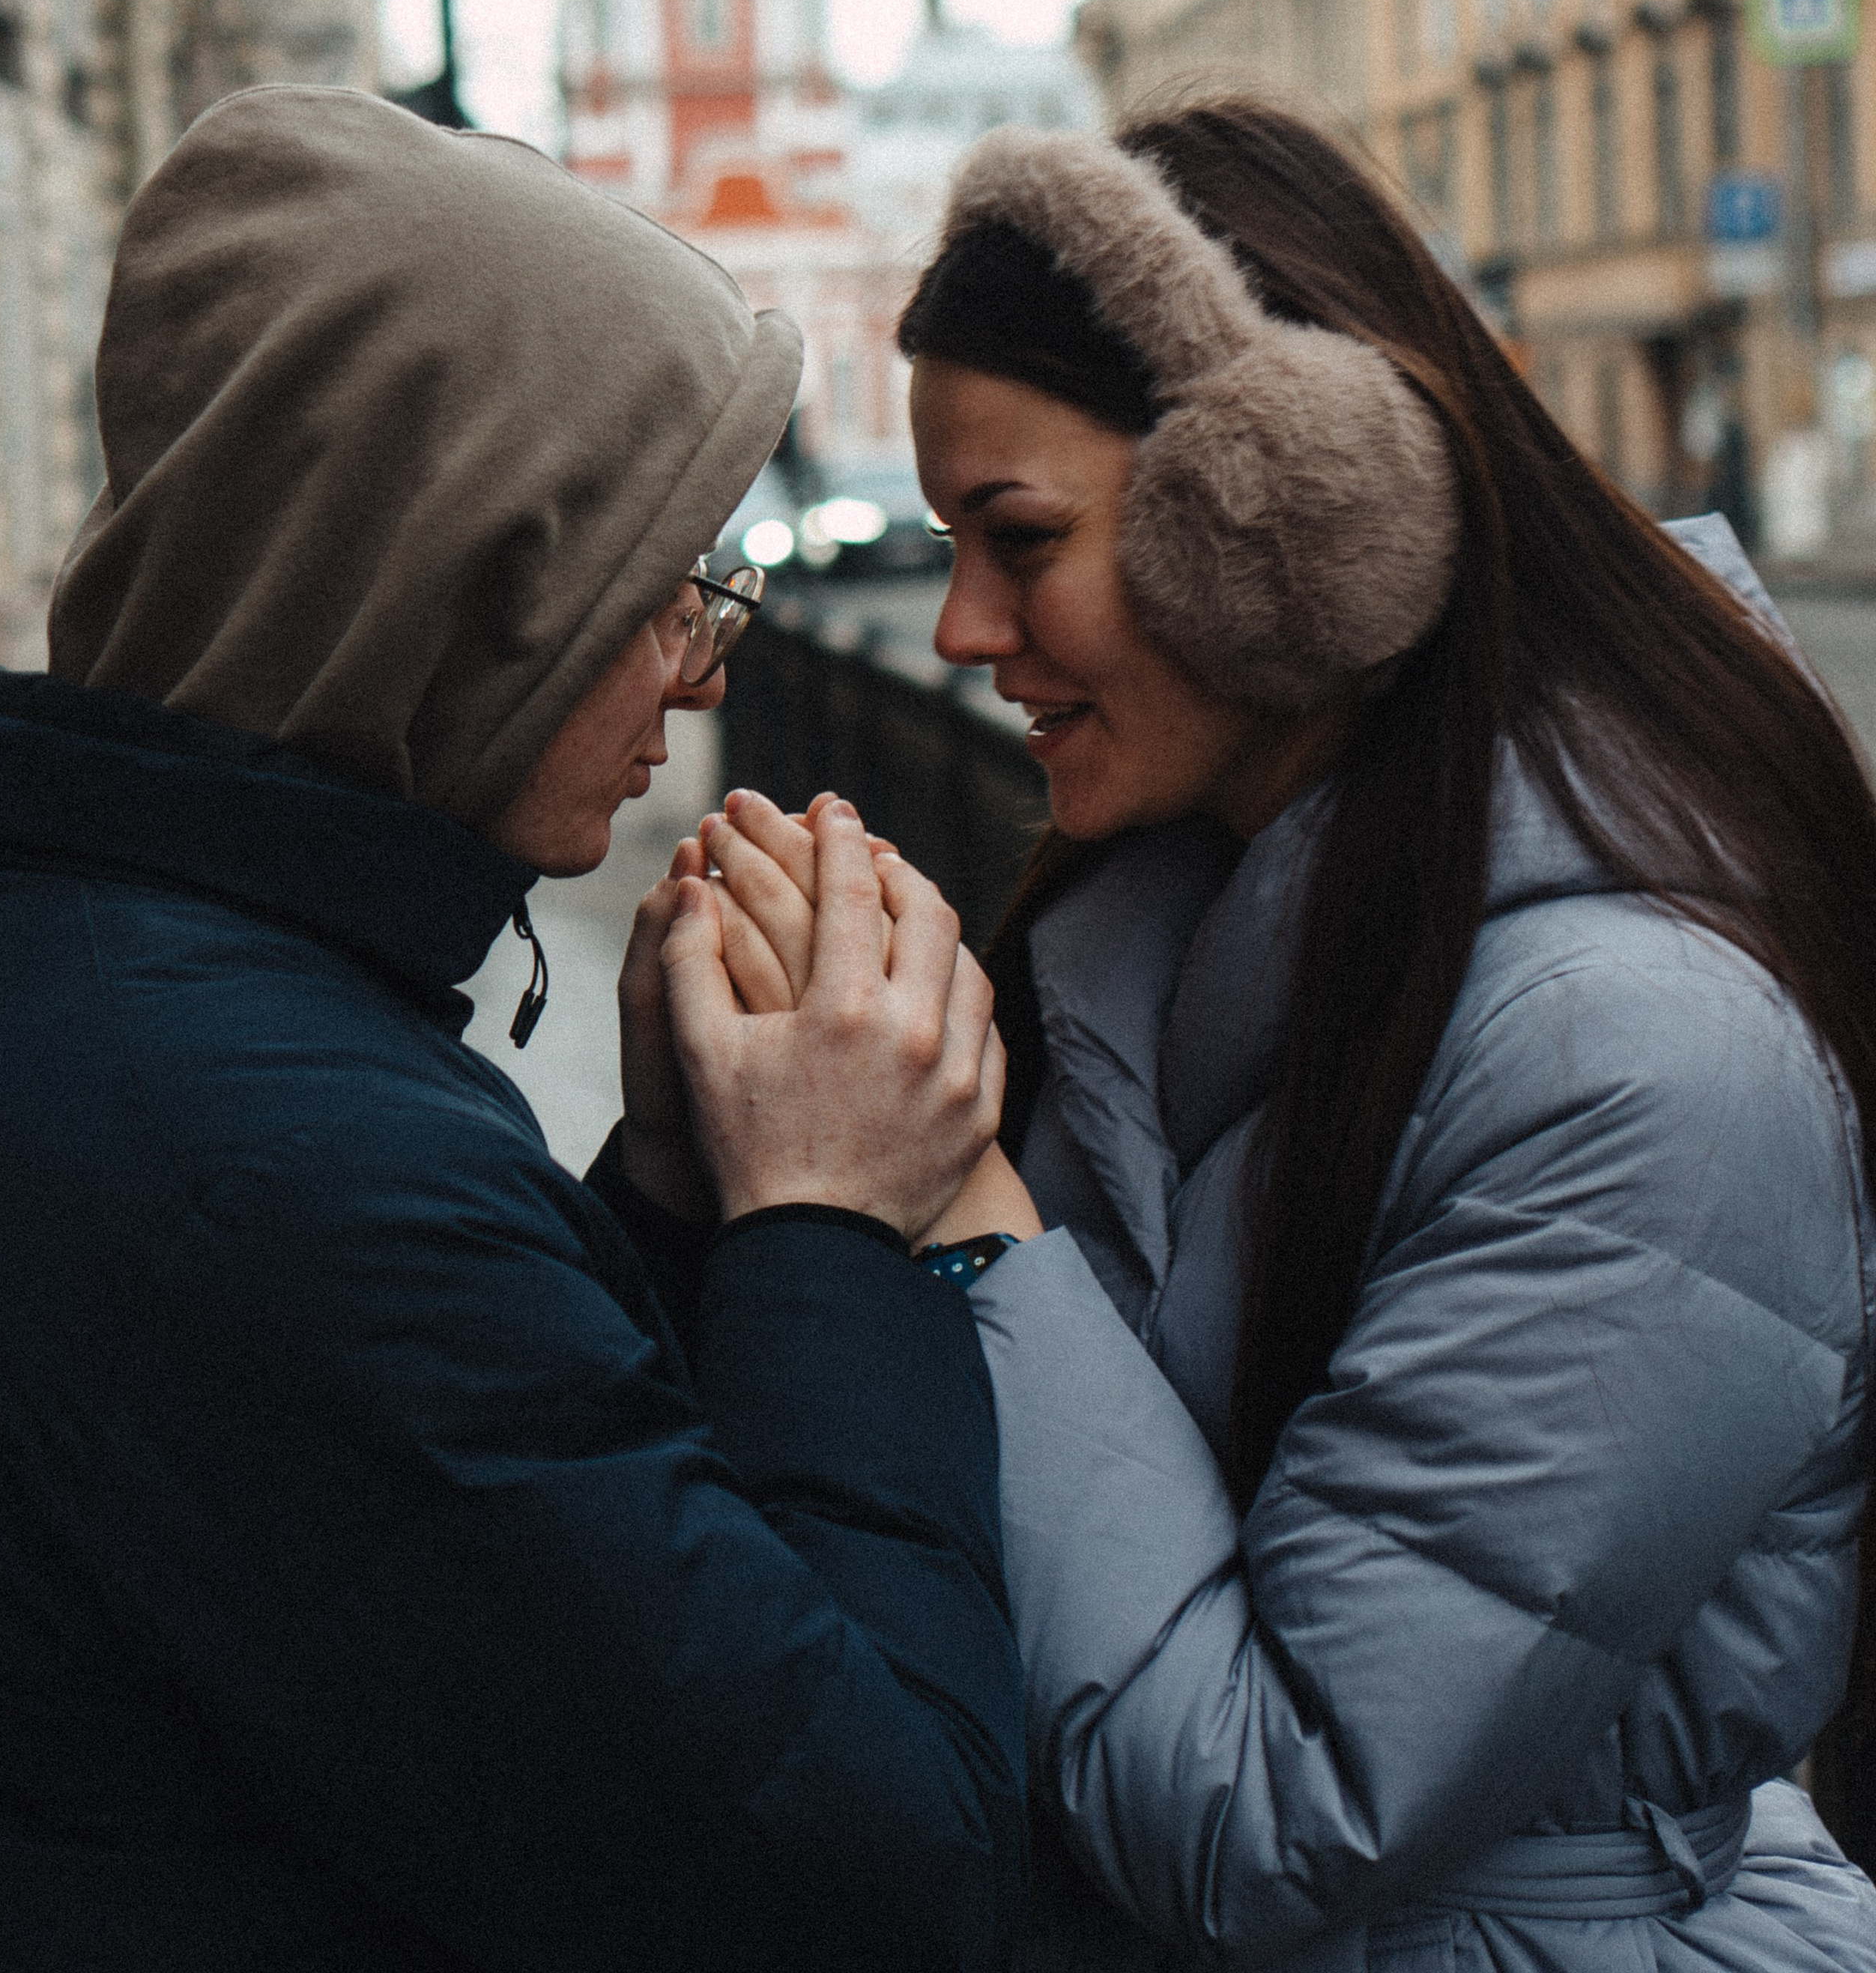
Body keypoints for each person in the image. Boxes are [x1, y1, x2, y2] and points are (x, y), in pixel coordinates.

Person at [685, 99, 1876, 1971]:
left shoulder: (1643, 1072)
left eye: (1016, 540)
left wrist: (954, 1209)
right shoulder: (1166, 914)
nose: (955, 632)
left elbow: (1272, 1822)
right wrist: (741, 1146)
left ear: (1283, 513)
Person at [0, 86, 1027, 1973]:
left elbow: (454, 1567)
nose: (709, 669)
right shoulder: (280, 1165)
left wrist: (674, 1201)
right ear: (475, 594)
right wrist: (831, 1224)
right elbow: (877, 1885)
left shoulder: (134, 977)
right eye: (672, 595)